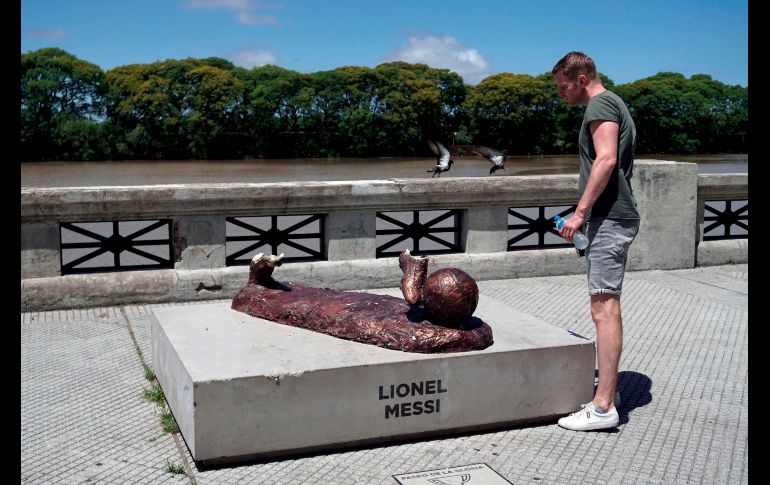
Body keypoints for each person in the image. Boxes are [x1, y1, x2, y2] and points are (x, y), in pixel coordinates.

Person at [551, 51, 640, 431]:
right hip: (613, 216)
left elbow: (606, 160)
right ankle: (609, 392)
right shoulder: (614, 102)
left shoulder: (600, 104)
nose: (561, 93)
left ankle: (603, 408)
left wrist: (580, 213)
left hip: (610, 218)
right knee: (606, 306)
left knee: (604, 309)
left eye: (563, 86)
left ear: (582, 79)